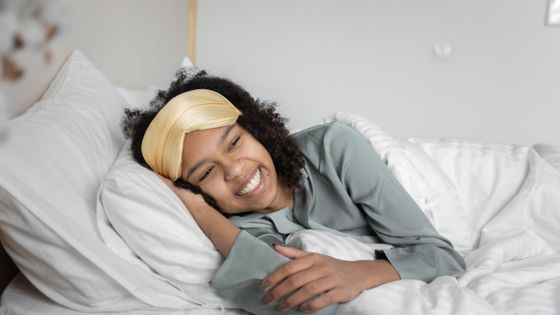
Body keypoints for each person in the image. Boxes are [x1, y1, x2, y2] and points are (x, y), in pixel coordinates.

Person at [121, 69, 466, 315]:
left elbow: (443, 256)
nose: (237, 170)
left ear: (256, 128)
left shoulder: (333, 147)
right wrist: (199, 212)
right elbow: (303, 304)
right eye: (208, 172)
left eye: (236, 142)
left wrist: (357, 272)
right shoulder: (243, 229)